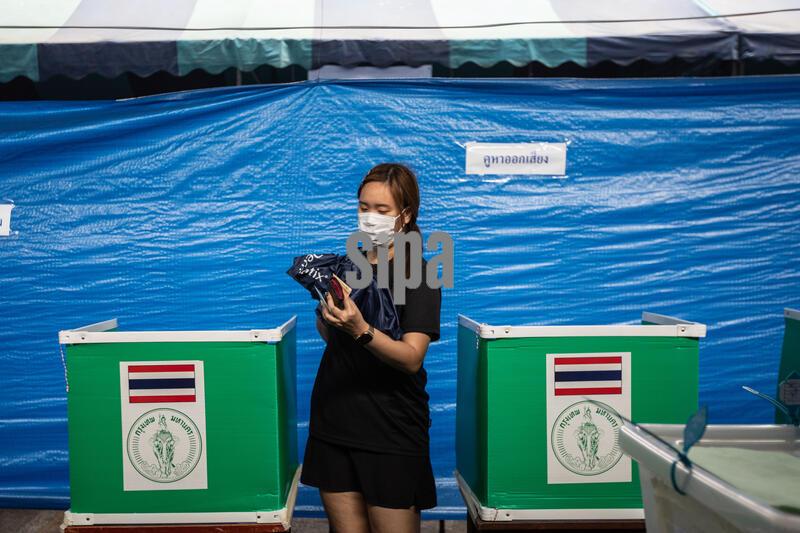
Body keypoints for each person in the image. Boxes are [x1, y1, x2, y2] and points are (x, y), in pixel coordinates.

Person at [300, 163, 442, 533]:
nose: (370, 217)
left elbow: (411, 359)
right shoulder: (348, 266)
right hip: (335, 419)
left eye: (382, 210)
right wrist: (328, 314)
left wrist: (362, 328)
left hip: (392, 428)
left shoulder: (421, 277)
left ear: (405, 214)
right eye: (364, 207)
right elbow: (334, 339)